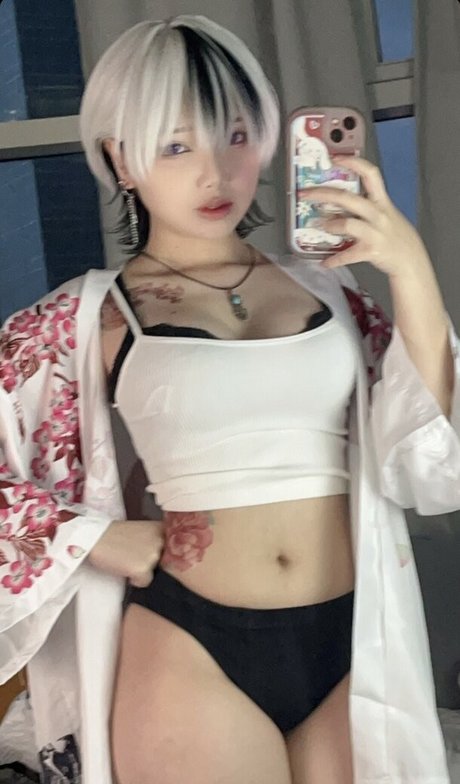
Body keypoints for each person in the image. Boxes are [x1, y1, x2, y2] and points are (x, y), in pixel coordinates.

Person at [0, 14, 459, 784]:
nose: (216, 173)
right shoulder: (88, 317)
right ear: (120, 158)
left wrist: (410, 267)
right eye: (176, 146)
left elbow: (431, 453)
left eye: (236, 136)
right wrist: (88, 537)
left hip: (356, 639)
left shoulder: (336, 294)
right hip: (190, 647)